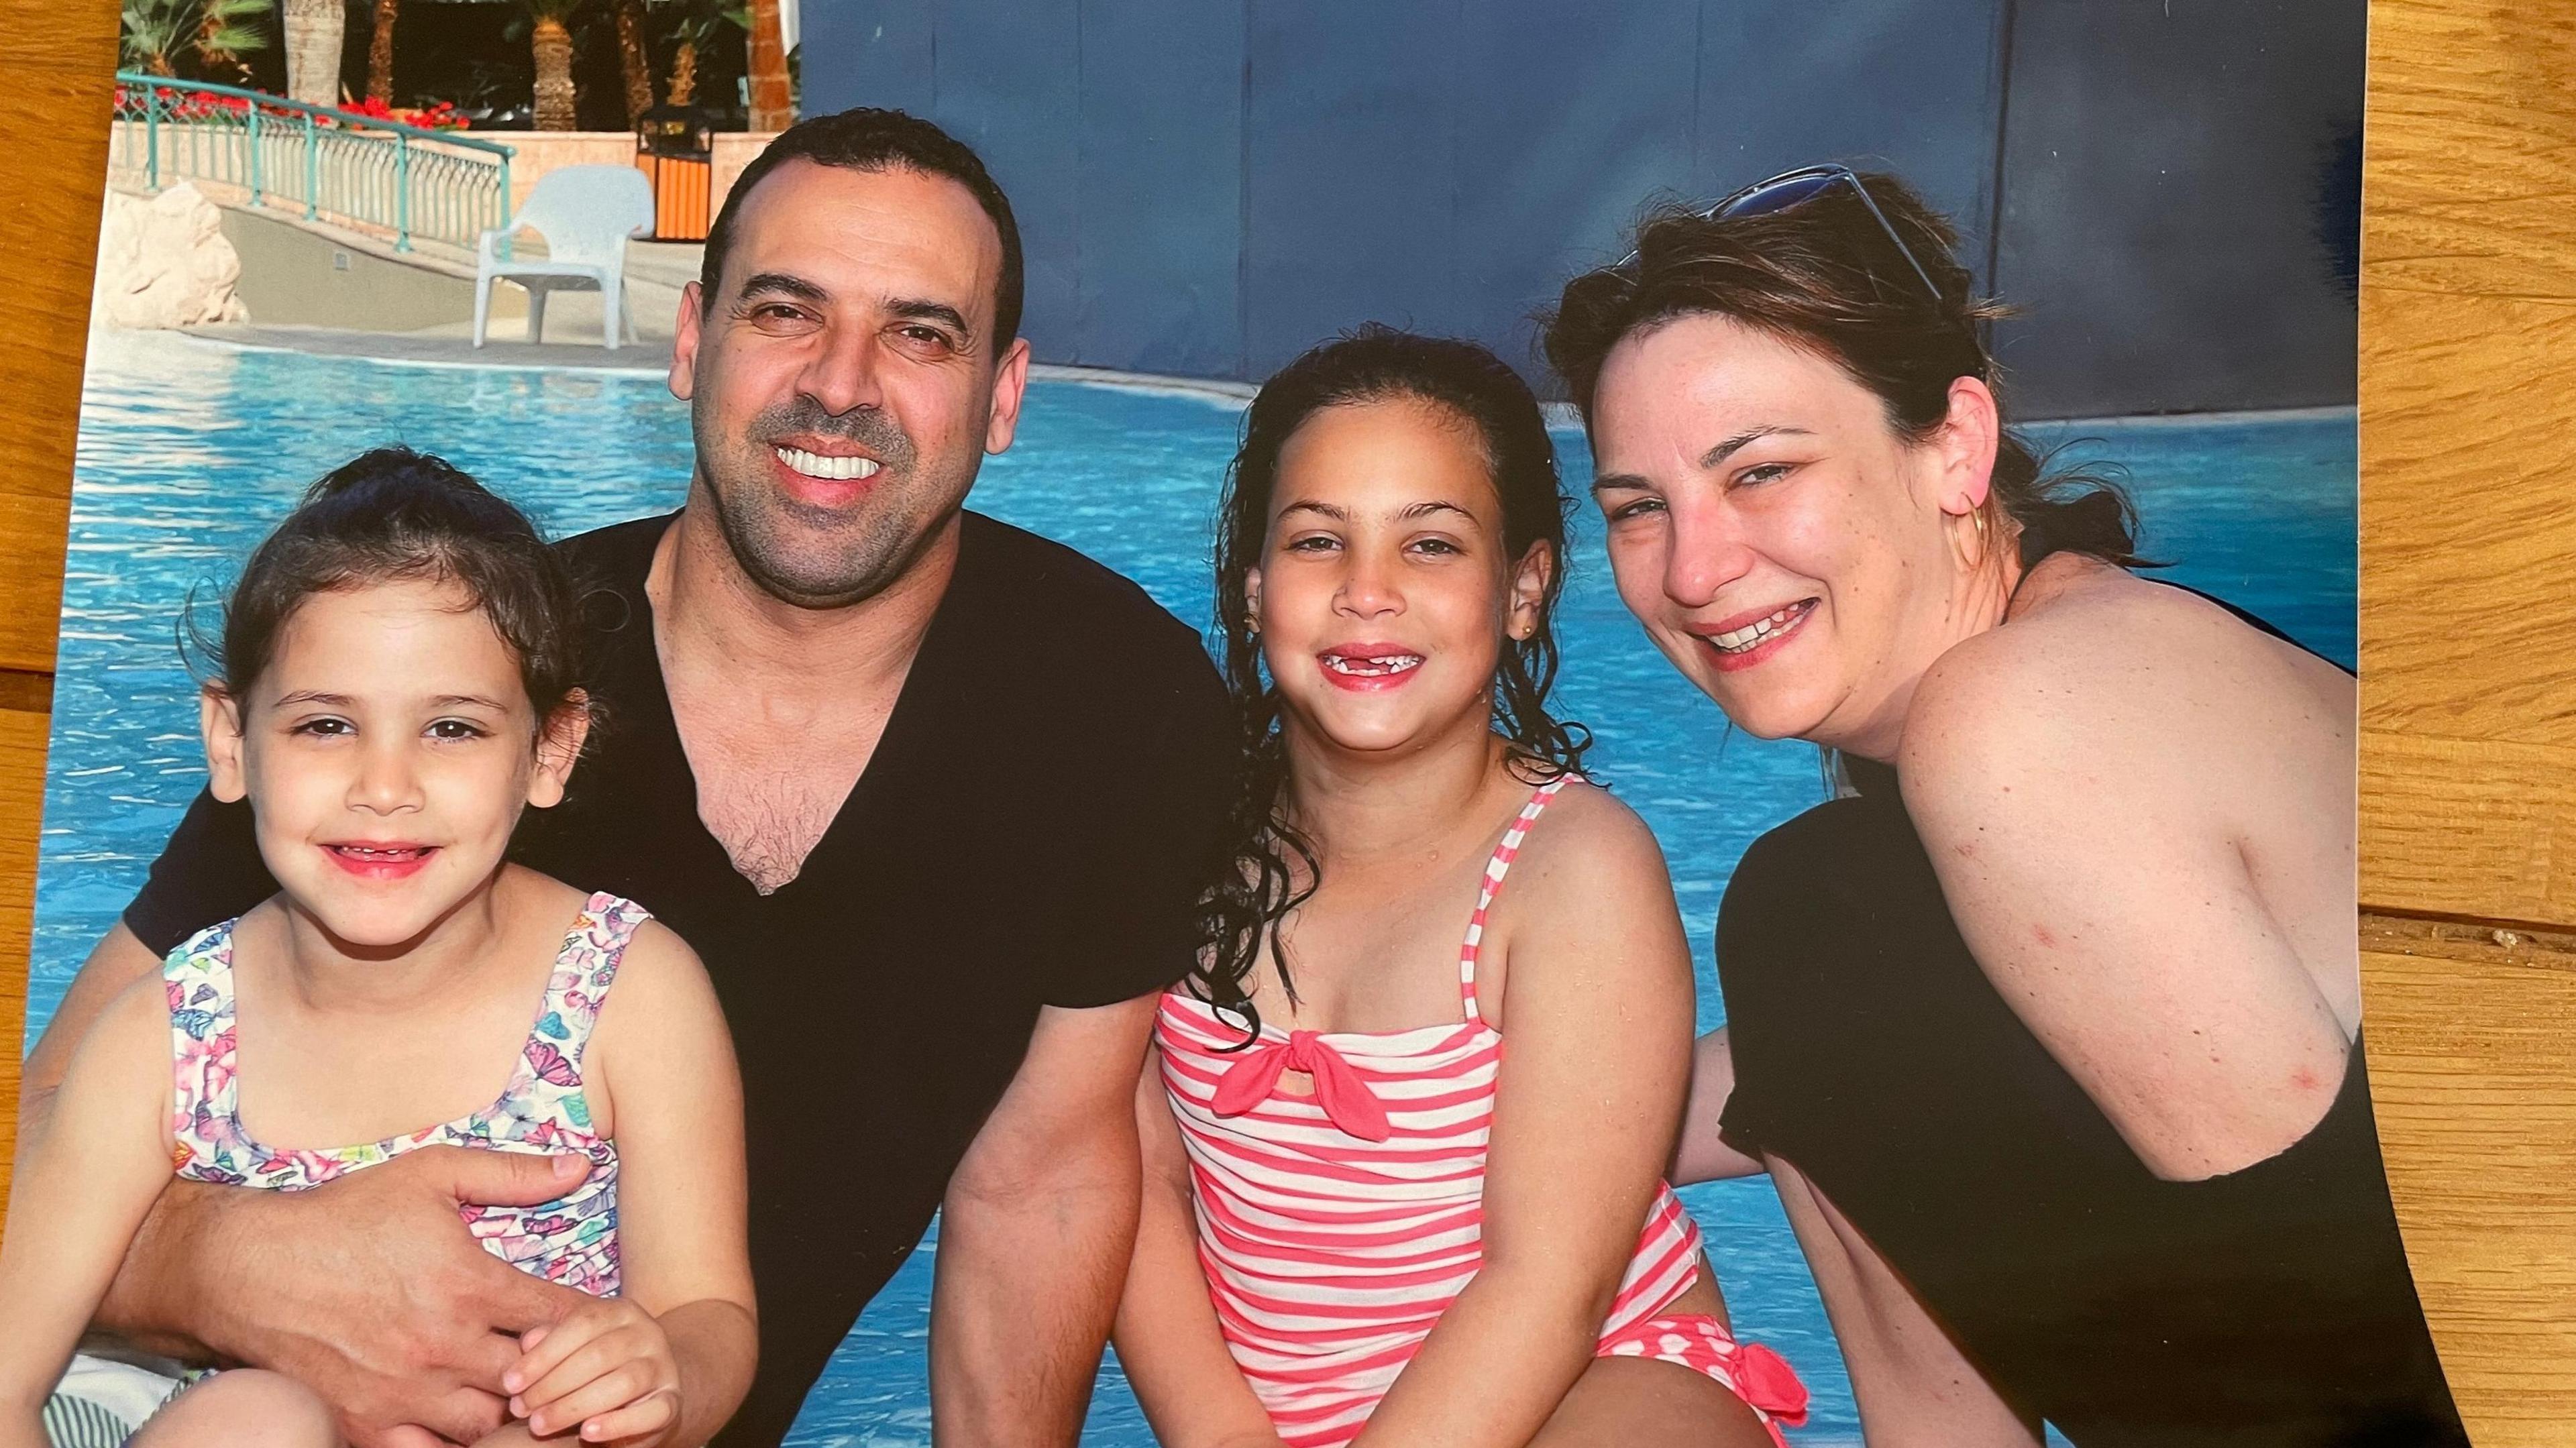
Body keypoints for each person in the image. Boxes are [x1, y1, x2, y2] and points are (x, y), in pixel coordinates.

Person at [15, 109, 1233, 1447]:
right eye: (785, 312)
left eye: (919, 333)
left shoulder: (1115, 700)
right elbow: (53, 1131)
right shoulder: (442, 682)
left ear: (1004, 396)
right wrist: (232, 1271)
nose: (841, 383)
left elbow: (1044, 1173)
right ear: (690, 339)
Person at [1540, 168, 2465, 1446]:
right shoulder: (2037, 695)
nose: (1694, 570)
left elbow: (2331, 1349)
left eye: (1760, 472)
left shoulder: (2024, 721)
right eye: (1639, 509)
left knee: (1807, 921)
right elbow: (1846, 1067)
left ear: (1955, 449)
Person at [1111, 327, 1808, 1448]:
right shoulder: (1176, 848)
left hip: (1588, 1379)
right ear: (1251, 590)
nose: (1367, 592)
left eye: (1430, 545)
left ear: (1522, 589)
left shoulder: (1569, 872)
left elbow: (1547, 1284)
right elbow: (1135, 1189)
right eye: (1316, 541)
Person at [0, 450, 755, 1448]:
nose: (385, 786)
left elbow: (711, 1314)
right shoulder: (166, 1039)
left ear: (549, 750)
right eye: (325, 725)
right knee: (253, 1419)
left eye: (450, 727)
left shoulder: (626, 993)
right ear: (231, 741)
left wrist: (665, 1375)